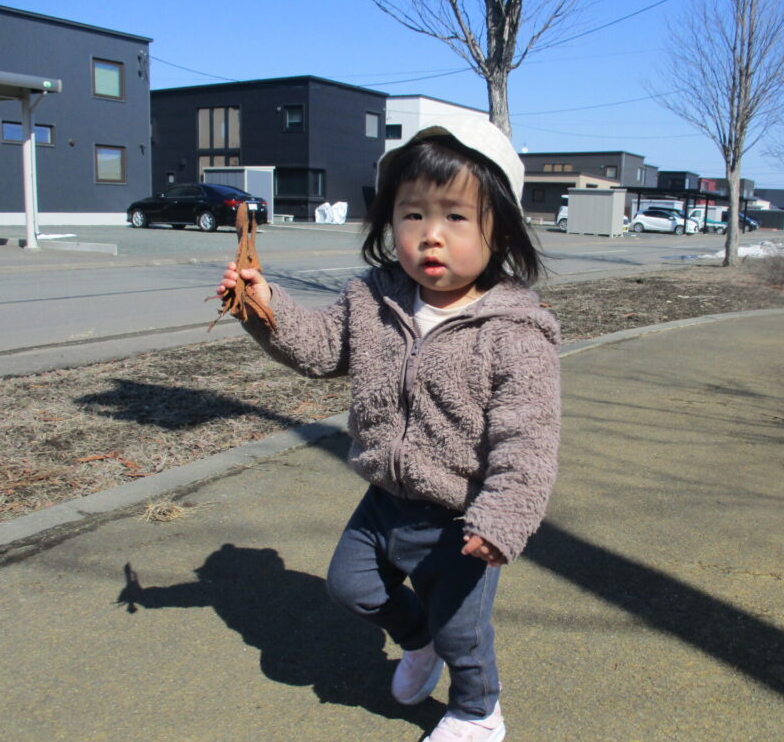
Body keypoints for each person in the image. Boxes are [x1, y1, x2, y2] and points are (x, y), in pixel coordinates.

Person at [215, 117, 561, 742]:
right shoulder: (373, 300)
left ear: (499, 227)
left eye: (456, 217)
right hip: (383, 500)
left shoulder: (514, 332)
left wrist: (502, 521)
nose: (431, 236)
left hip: (461, 519)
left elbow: (527, 441)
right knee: (349, 588)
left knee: (466, 631)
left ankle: (478, 713)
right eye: (412, 215)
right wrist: (263, 306)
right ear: (388, 222)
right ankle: (416, 639)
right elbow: (320, 349)